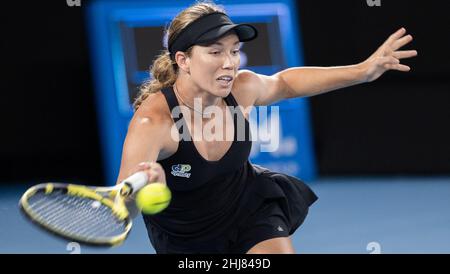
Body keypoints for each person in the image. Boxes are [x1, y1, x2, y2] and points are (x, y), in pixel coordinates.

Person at [116, 1, 417, 254]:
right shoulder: (153, 122)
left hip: (248, 207)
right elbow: (121, 210)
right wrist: (142, 186)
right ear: (183, 59)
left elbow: (285, 83)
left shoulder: (242, 89)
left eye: (234, 51)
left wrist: (362, 71)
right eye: (215, 51)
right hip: (185, 237)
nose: (230, 63)